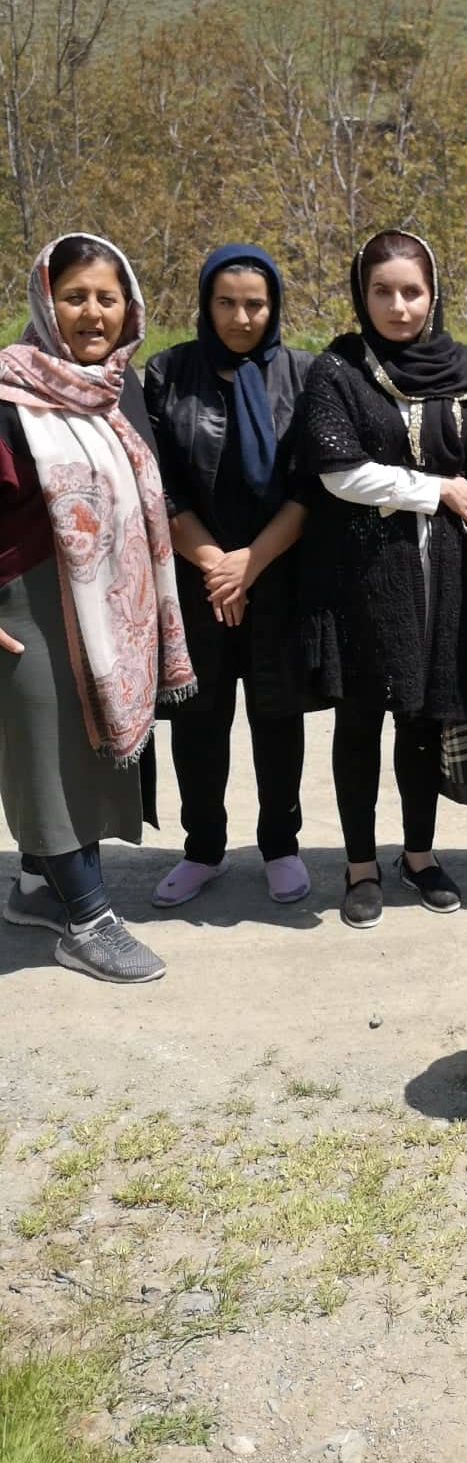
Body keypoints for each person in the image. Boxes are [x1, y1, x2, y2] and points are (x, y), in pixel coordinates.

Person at [0, 234, 196, 984]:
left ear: (129, 308)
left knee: (83, 745)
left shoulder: (120, 386)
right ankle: (89, 921)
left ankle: (32, 887)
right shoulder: (10, 389)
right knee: (50, 754)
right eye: (74, 296)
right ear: (46, 303)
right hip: (27, 600)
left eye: (106, 298)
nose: (91, 313)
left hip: (105, 602)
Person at [300, 229, 467, 930]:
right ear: (362, 294)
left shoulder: (461, 368)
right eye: (382, 291)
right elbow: (338, 470)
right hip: (362, 574)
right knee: (360, 721)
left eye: (411, 291)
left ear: (433, 293)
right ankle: (359, 865)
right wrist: (433, 490)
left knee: (423, 718)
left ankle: (418, 853)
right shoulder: (338, 369)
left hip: (441, 575)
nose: (398, 305)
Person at [145, 244, 317, 910]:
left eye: (255, 303)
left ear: (273, 305)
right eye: (227, 302)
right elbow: (158, 485)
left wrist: (252, 563)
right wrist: (218, 564)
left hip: (277, 580)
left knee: (279, 718)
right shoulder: (168, 373)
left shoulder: (303, 376)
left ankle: (280, 844)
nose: (242, 317)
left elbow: (311, 488)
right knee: (199, 722)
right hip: (196, 583)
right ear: (205, 303)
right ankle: (203, 850)